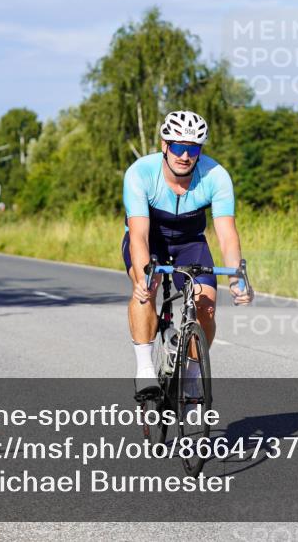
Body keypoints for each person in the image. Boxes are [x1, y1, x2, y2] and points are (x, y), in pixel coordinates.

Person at [122, 110, 253, 398]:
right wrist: (144, 277)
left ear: (200, 151)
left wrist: (237, 279)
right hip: (150, 240)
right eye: (178, 147)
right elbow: (139, 235)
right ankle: (144, 368)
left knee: (206, 304)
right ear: (164, 145)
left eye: (192, 148)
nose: (185, 155)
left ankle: (192, 378)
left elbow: (227, 234)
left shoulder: (216, 176)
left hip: (190, 242)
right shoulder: (140, 173)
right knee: (147, 285)